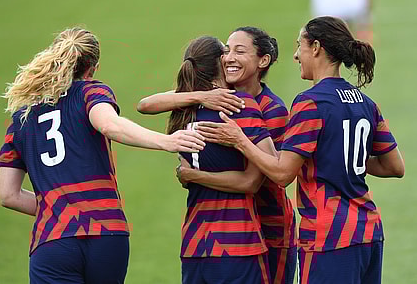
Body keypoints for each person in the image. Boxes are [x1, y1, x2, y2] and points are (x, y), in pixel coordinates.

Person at [195, 16, 405, 284]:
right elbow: (393, 166)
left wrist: (239, 140)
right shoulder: (365, 102)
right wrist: (335, 152)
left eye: (300, 46)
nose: (296, 55)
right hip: (369, 233)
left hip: (329, 236)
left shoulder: (310, 103)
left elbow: (282, 174)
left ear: (316, 47)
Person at [0, 27, 205, 284]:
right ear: (92, 67)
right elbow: (109, 124)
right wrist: (166, 141)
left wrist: (59, 208)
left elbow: (9, 195)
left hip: (53, 240)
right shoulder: (90, 92)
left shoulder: (21, 118)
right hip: (107, 234)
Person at [138, 27, 297, 284]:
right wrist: (203, 95)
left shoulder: (271, 110)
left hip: (268, 224)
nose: (230, 57)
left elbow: (276, 173)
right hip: (240, 233)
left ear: (262, 61)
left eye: (238, 51)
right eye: (226, 51)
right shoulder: (225, 104)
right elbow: (145, 104)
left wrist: (196, 173)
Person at [166, 35, 275, 283]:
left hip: (195, 243)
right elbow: (252, 181)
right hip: (237, 242)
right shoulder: (239, 104)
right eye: (226, 53)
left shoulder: (182, 110)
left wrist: (192, 176)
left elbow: (145, 104)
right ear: (220, 62)